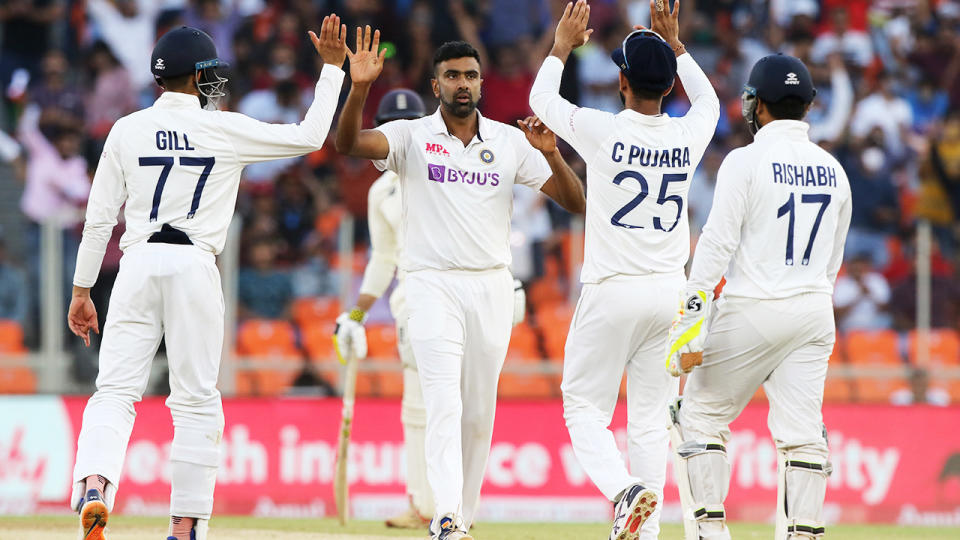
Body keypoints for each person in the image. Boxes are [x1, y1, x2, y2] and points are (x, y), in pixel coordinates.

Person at [65, 19, 351, 540]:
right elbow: (311, 137)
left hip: (137, 264)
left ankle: (95, 486)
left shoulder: (126, 130)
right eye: (211, 74)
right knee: (195, 400)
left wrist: (83, 290)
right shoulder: (222, 127)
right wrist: (332, 69)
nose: (217, 82)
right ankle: (186, 522)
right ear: (197, 77)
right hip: (195, 265)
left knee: (114, 392)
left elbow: (98, 220)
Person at [334, 27, 586, 540]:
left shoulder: (510, 141)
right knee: (443, 402)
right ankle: (445, 515)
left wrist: (554, 154)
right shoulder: (411, 137)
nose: (463, 83)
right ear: (436, 85)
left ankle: (460, 520)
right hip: (430, 285)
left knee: (478, 415)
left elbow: (577, 203)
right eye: (452, 76)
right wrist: (358, 88)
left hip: (491, 286)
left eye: (471, 75)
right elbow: (348, 144)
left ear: (480, 82)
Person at [529, 1, 719, 539]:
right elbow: (709, 100)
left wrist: (562, 46)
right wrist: (678, 46)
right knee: (649, 419)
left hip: (614, 288)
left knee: (581, 407)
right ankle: (648, 530)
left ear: (621, 81)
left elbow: (540, 100)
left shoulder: (602, 130)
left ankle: (624, 492)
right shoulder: (688, 134)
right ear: (668, 88)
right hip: (671, 292)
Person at [665, 53, 851, 540]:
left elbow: (716, 246)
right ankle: (802, 535)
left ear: (759, 106)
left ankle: (710, 533)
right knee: (804, 436)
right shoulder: (834, 170)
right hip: (813, 311)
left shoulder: (744, 161)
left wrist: (689, 322)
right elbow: (832, 260)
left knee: (699, 416)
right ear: (808, 106)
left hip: (753, 307)